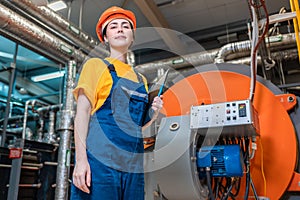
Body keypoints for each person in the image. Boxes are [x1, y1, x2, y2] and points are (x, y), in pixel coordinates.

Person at [71, 6, 163, 200]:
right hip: (101, 161)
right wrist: (80, 161)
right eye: (113, 26)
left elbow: (137, 124)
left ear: (132, 37)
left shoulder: (141, 79)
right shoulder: (95, 66)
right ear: (105, 37)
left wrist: (153, 112)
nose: (120, 29)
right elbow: (82, 114)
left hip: (133, 164)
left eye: (125, 26)